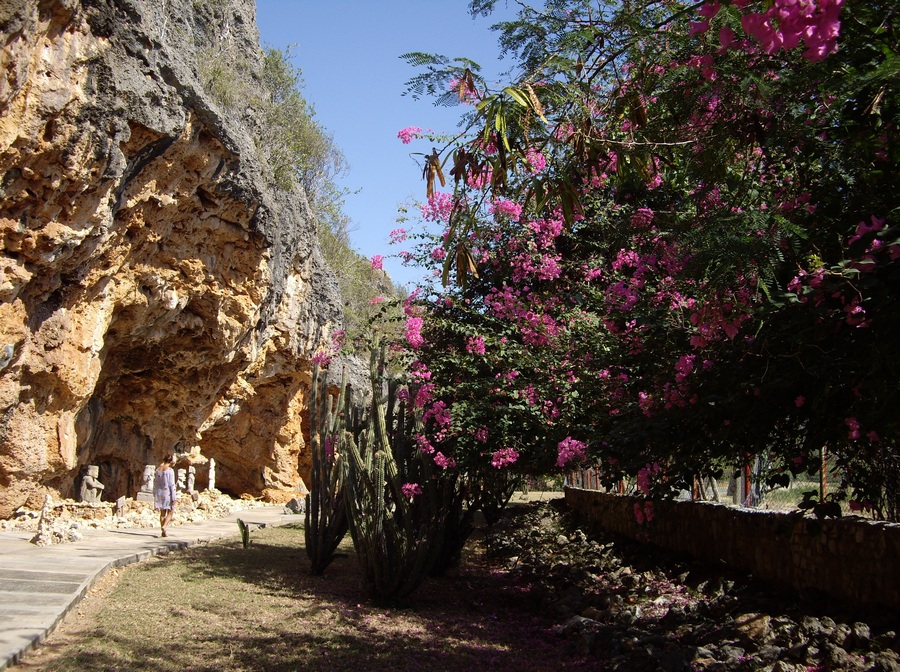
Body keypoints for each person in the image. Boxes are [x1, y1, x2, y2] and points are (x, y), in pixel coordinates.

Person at [154, 454, 177, 537]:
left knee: (162, 513)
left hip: (159, 493)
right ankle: (164, 526)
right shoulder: (170, 471)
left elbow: (155, 482)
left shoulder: (158, 470)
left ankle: (163, 532)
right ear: (171, 461)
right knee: (171, 512)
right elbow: (171, 484)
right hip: (168, 493)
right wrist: (174, 497)